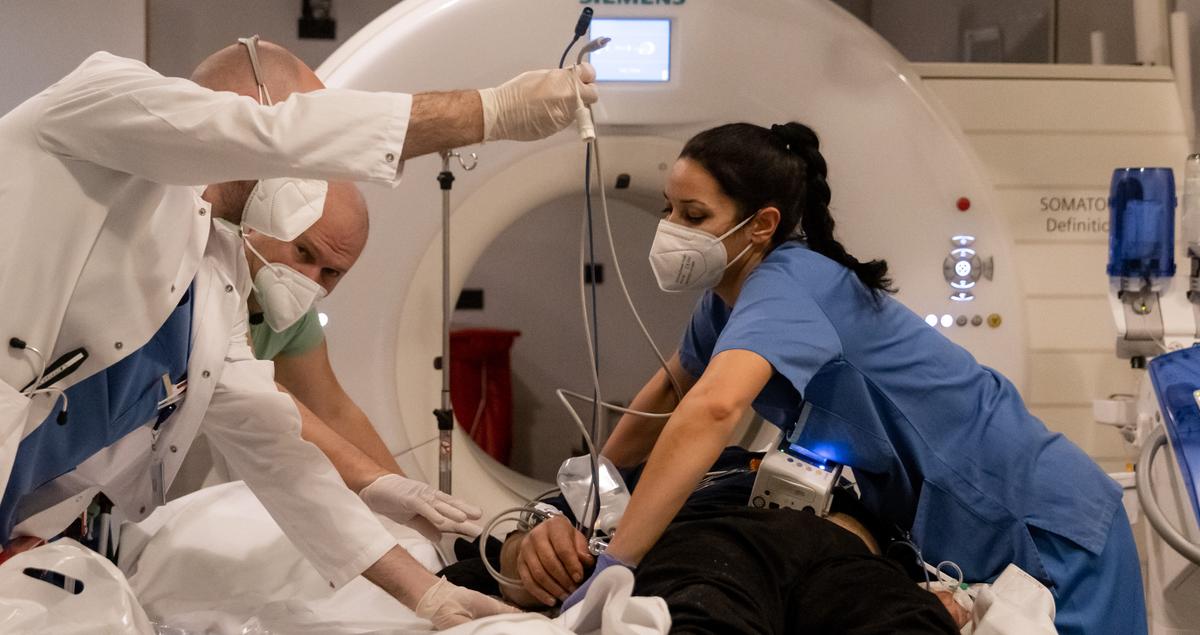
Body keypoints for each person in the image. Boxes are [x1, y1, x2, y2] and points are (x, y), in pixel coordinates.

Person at [0, 35, 595, 628]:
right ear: (249, 103)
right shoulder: (96, 102)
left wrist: (427, 593)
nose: (314, 180)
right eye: (311, 156)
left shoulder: (214, 279)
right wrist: (492, 113)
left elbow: (278, 451)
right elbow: (273, 136)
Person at [559, 122, 1145, 635]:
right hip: (969, 524)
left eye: (694, 216)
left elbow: (713, 409)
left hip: (1040, 520)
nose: (670, 227)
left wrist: (619, 563)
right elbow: (669, 392)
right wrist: (582, 509)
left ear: (761, 224)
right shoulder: (726, 301)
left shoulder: (791, 285)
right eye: (668, 208)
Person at [445, 447, 964, 634]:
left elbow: (918, 562)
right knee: (705, 597)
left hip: (845, 552)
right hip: (720, 547)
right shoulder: (655, 478)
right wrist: (527, 550)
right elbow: (490, 562)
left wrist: (931, 598)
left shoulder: (867, 487)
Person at [235, 180, 481, 535]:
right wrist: (371, 479)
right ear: (259, 223)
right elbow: (260, 395)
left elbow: (332, 409)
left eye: (331, 272)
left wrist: (416, 509)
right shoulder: (216, 276)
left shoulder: (294, 321)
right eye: (303, 252)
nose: (309, 278)